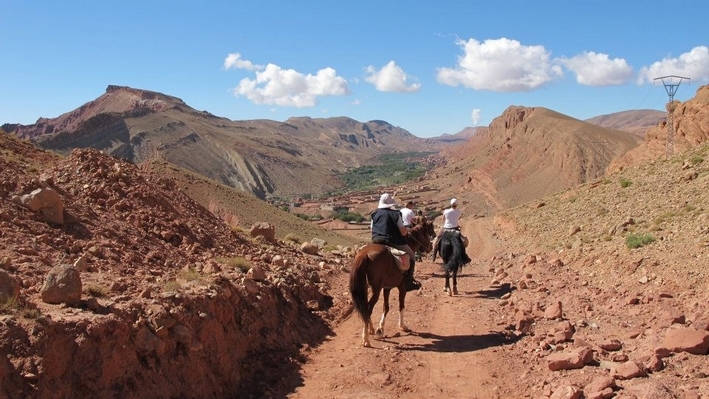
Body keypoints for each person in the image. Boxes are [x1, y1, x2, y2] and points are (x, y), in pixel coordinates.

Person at [370, 193, 421, 291]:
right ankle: (409, 282)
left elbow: (372, 230)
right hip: (392, 241)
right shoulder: (396, 214)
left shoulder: (374, 214)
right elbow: (402, 232)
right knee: (412, 256)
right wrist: (406, 231)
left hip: (376, 241)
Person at [431, 198, 471, 263]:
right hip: (455, 229)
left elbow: (443, 219)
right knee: (463, 242)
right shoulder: (459, 212)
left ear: (450, 204)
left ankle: (433, 255)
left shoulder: (446, 211)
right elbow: (458, 219)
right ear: (456, 205)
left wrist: (444, 224)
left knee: (436, 240)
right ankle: (464, 257)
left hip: (445, 228)